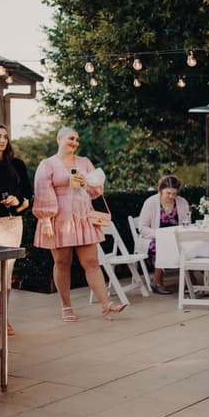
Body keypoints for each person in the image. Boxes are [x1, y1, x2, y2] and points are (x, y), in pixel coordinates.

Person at [33, 126, 126, 321]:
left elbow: (97, 191)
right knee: (62, 262)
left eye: (77, 139)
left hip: (83, 216)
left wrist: (86, 183)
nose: (75, 142)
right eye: (71, 138)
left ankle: (106, 304)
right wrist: (46, 219)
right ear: (59, 139)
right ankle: (66, 306)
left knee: (92, 262)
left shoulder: (84, 162)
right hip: (59, 219)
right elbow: (42, 192)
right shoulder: (47, 164)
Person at [0, 123, 31, 338]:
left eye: (5, 136)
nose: (2, 140)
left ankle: (2, 317)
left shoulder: (17, 164)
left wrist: (19, 202)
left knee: (6, 272)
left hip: (13, 223)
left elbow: (27, 197)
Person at [135, 174, 190, 294]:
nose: (171, 196)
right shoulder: (150, 202)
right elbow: (142, 228)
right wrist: (161, 235)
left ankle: (190, 280)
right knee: (163, 244)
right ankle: (157, 281)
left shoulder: (182, 202)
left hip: (177, 238)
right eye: (168, 193)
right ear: (160, 190)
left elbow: (187, 223)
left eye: (174, 193)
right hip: (153, 239)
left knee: (190, 244)